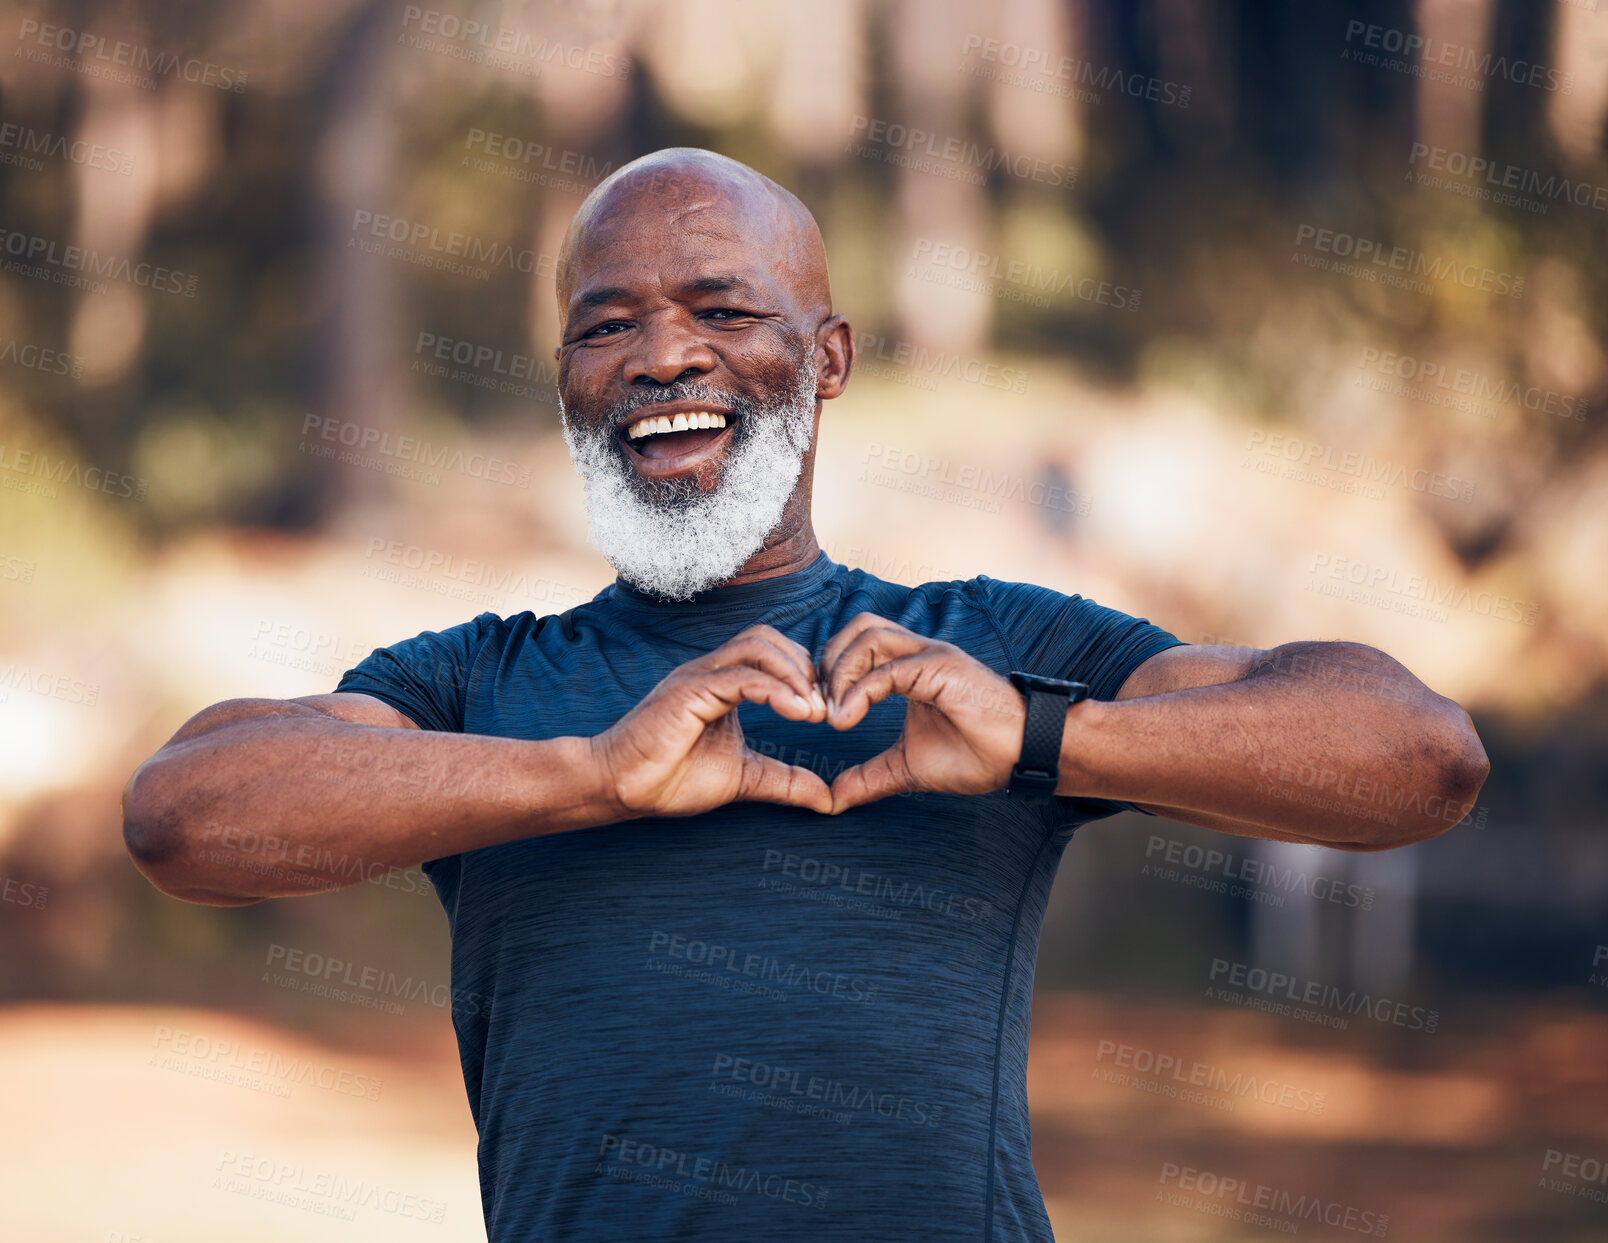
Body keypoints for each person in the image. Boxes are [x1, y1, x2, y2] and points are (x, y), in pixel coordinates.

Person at [121, 148, 1489, 1242]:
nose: (665, 356)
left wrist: (1051, 738)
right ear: (567, 383)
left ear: (827, 360)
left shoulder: (984, 647)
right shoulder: (481, 680)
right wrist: (586, 774)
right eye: (611, 325)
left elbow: (1419, 758)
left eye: (721, 310)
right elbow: (186, 819)